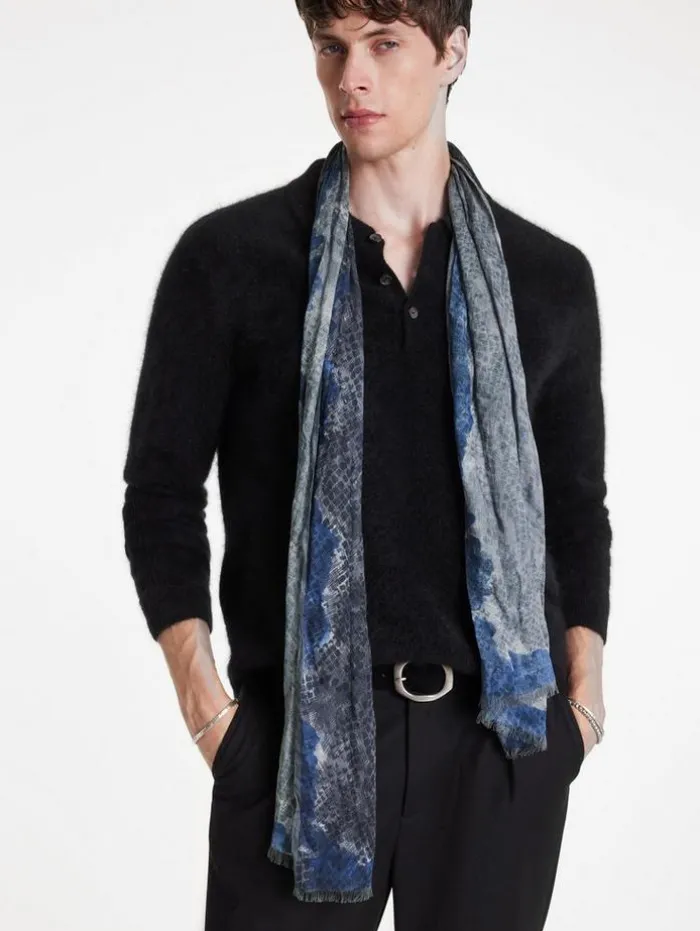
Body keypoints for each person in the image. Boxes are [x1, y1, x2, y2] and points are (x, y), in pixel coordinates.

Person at [121, 2, 612, 928]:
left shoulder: (548, 279)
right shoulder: (229, 262)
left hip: (500, 745)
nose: (352, 77)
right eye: (332, 47)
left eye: (385, 45)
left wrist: (579, 704)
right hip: (295, 750)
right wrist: (211, 712)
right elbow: (160, 493)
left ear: (453, 52)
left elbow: (577, 507)